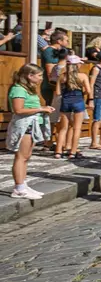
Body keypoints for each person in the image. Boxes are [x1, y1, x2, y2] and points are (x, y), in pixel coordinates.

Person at [7, 64, 54, 199]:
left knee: (26, 157)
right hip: (24, 125)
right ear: (30, 76)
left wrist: (43, 108)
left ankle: (23, 184)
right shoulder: (18, 89)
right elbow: (18, 110)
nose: (41, 78)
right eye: (39, 75)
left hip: (32, 125)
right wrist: (41, 109)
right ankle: (19, 187)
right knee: (21, 157)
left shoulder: (30, 90)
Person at [53, 55, 91, 160]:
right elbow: (88, 91)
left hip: (65, 102)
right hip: (78, 101)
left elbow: (58, 92)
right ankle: (73, 152)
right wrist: (81, 93)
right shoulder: (82, 76)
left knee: (63, 128)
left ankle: (58, 151)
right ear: (77, 65)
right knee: (77, 128)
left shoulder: (62, 76)